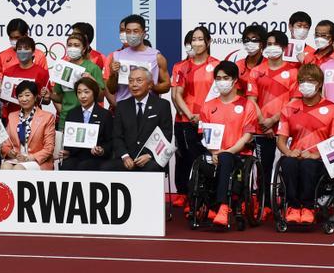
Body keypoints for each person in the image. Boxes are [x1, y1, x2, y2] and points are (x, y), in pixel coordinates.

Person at [276, 64, 334, 225]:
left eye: (310, 80)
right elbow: (281, 141)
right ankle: (293, 207)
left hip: (320, 160)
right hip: (296, 156)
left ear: (319, 84)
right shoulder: (290, 108)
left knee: (308, 165)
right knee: (289, 163)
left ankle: (308, 207)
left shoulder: (332, 109)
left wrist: (315, 155)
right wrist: (288, 152)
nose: (305, 85)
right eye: (302, 81)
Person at [197, 61, 257, 227]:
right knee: (200, 164)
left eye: (225, 78)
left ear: (235, 80)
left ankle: (223, 207)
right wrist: (214, 152)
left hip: (238, 155)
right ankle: (203, 206)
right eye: (218, 78)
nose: (221, 81)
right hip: (214, 153)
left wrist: (227, 152)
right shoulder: (208, 106)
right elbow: (204, 135)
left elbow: (247, 136)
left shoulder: (247, 105)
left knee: (226, 159)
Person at [247, 29, 298, 215]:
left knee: (288, 168)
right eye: (268, 44)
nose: (272, 47)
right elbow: (252, 100)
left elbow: (294, 101)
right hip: (262, 129)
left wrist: (274, 120)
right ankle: (266, 205)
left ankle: (288, 204)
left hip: (285, 128)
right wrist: (263, 122)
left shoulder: (293, 72)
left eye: (276, 44)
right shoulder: (256, 71)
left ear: (284, 47)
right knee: (264, 170)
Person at [170, 27, 218, 206]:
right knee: (186, 158)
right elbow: (177, 95)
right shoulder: (181, 66)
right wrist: (190, 115)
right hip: (186, 120)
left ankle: (207, 195)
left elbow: (219, 94)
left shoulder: (216, 65)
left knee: (208, 158)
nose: (196, 43)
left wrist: (204, 115)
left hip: (210, 121)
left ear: (208, 41)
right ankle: (185, 193)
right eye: (194, 39)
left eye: (200, 39)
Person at [107, 67, 173, 173]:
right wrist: (125, 156)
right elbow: (117, 136)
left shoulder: (162, 105)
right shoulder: (122, 106)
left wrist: (150, 155)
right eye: (131, 81)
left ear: (150, 85)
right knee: (106, 167)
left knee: (152, 167)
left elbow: (166, 135)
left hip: (152, 158)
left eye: (139, 80)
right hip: (127, 157)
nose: (134, 84)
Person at [107, 14, 171, 102]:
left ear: (144, 33)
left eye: (135, 31)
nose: (131, 34)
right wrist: (113, 75)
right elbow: (111, 89)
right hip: (124, 108)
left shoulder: (156, 57)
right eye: (128, 31)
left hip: (149, 107)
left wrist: (153, 86)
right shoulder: (117, 56)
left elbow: (167, 85)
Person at [53, 32, 106, 127]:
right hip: (65, 119)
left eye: (76, 45)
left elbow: (101, 97)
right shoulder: (63, 68)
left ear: (84, 49)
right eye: (69, 45)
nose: (72, 48)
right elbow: (60, 97)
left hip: (88, 120)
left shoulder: (93, 68)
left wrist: (92, 80)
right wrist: (49, 95)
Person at [58, 77, 112, 172]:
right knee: (66, 165)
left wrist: (101, 150)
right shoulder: (72, 114)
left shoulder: (105, 114)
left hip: (96, 158)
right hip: (75, 156)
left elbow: (110, 142)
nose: (82, 96)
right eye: (79, 92)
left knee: (84, 166)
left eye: (86, 92)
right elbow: (69, 142)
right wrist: (67, 152)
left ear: (94, 93)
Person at [1, 80, 56, 170]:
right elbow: (6, 145)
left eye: (27, 95)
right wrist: (10, 152)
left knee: (18, 168)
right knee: (5, 166)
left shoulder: (47, 117)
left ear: (35, 97)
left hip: (37, 160)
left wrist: (28, 158)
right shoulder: (12, 116)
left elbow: (49, 148)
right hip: (17, 159)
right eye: (20, 96)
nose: (24, 99)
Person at [0, 36, 49, 117]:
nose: (22, 51)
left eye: (26, 48)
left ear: (33, 51)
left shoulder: (42, 72)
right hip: (11, 117)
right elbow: (4, 100)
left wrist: (37, 97)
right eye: (19, 49)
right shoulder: (8, 72)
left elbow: (47, 101)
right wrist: (0, 95)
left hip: (34, 117)